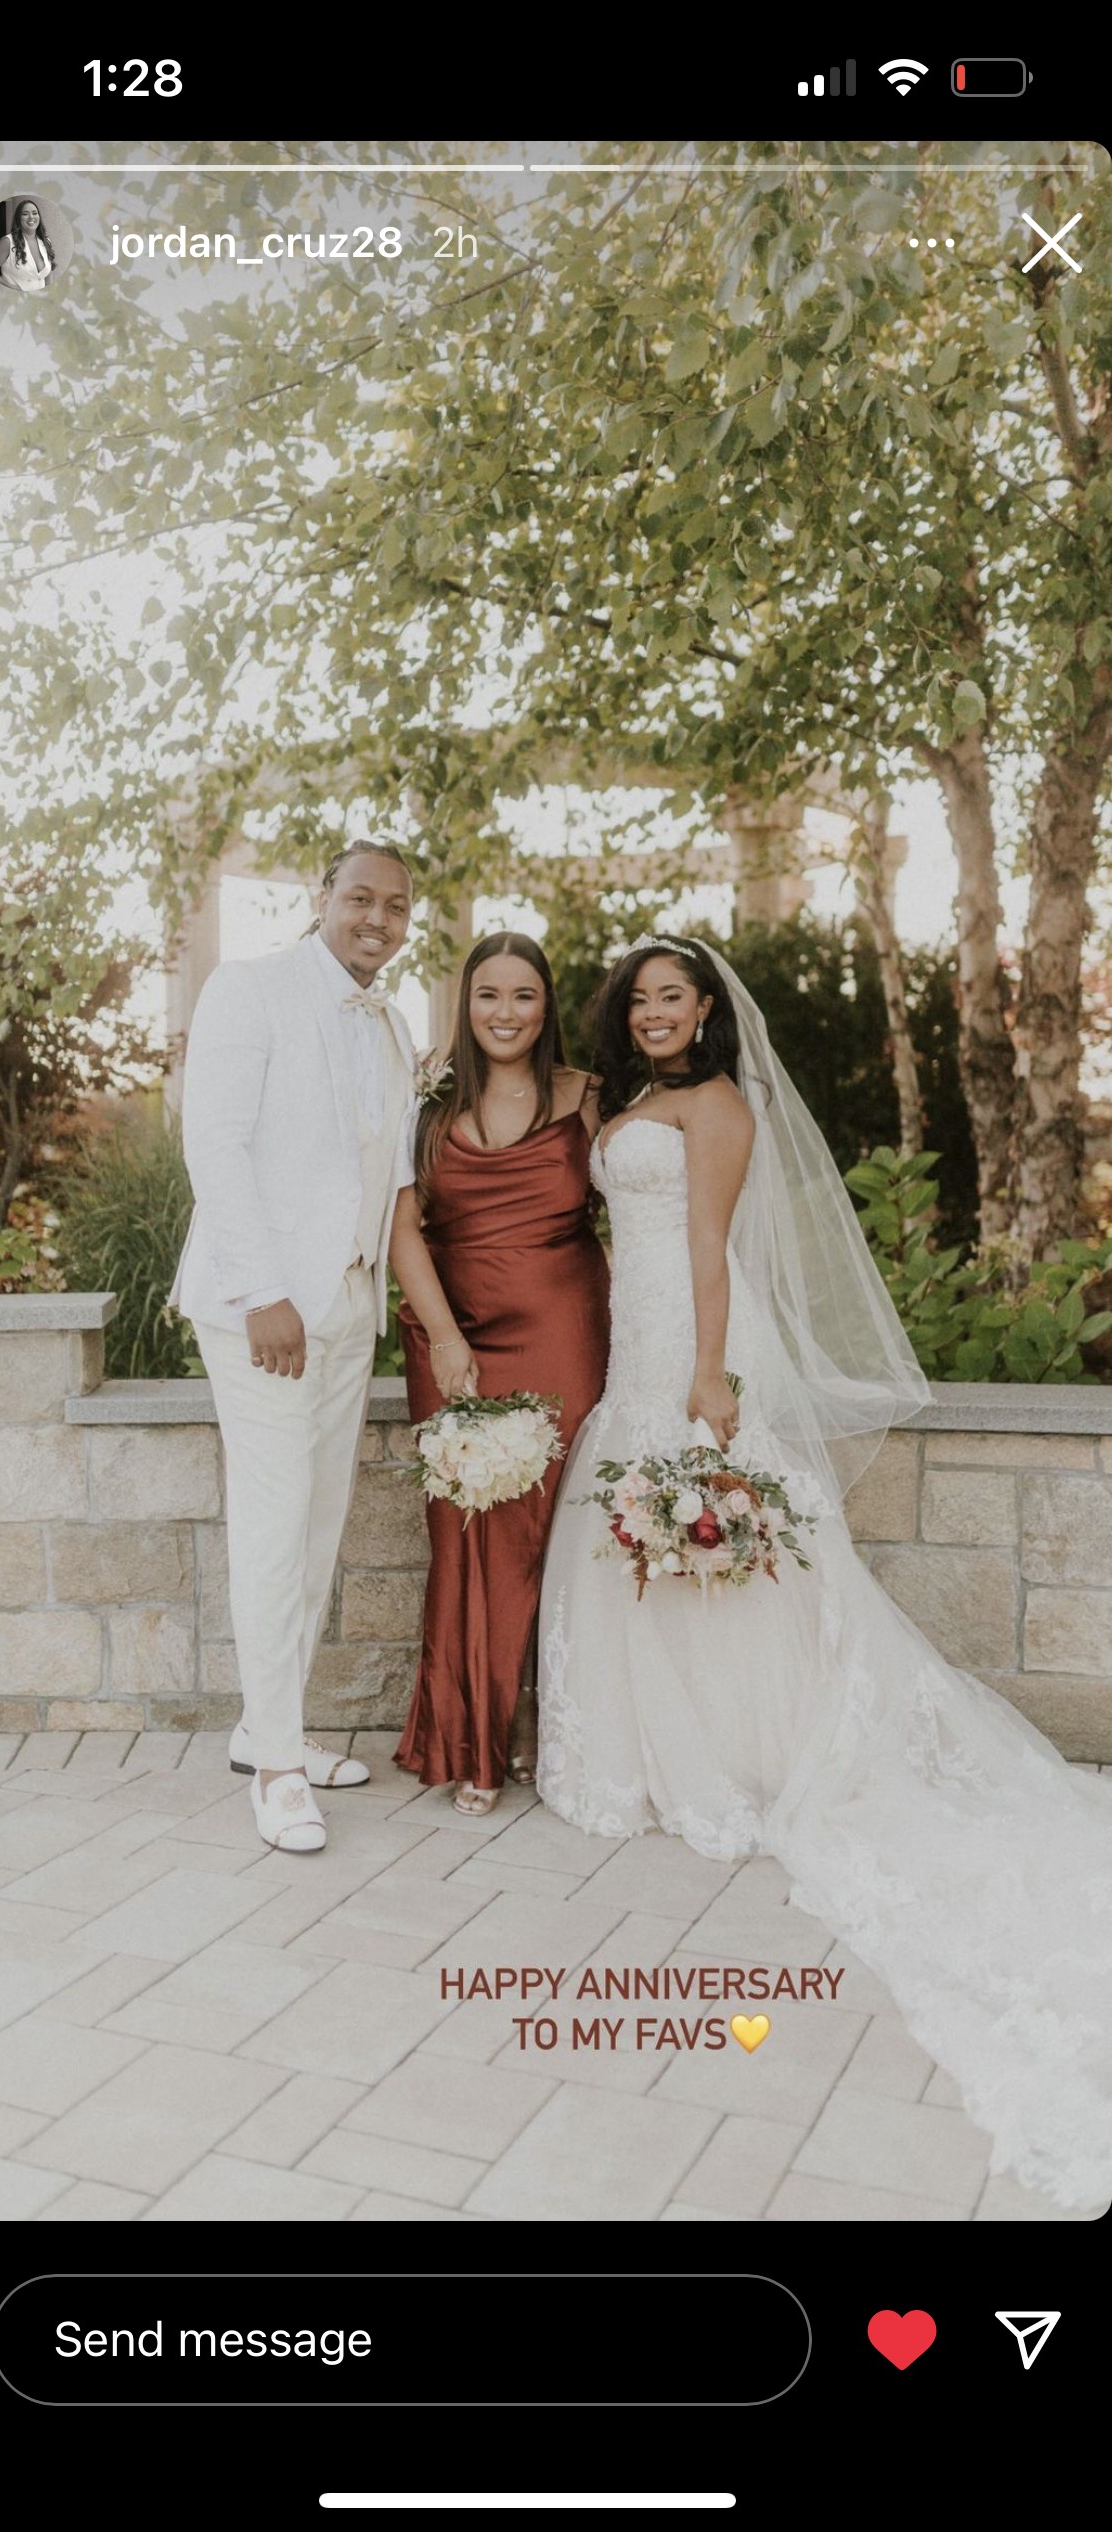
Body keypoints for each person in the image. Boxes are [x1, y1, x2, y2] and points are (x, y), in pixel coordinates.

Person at [537, 934, 1112, 2209]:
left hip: (690, 1335)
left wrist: (706, 1373)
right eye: (640, 1000)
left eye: (674, 997)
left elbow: (708, 1243)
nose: (655, 1014)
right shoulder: (625, 1099)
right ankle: (656, 1744)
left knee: (711, 1545)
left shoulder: (719, 1106)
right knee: (638, 1541)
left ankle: (745, 1749)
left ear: (707, 1010)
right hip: (631, 1332)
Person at [169, 842, 418, 1854]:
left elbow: (383, 1169)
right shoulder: (251, 988)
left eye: (396, 906)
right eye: (360, 897)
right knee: (274, 1526)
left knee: (318, 1524)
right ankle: (275, 1768)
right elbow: (214, 1142)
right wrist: (262, 1291)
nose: (377, 918)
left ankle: (267, 1727)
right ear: (323, 899)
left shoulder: (393, 1023)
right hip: (262, 1307)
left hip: (349, 1303)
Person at [391, 933, 610, 1815]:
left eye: (525, 995)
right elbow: (400, 1227)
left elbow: (643, 1200)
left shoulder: (588, 1095)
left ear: (547, 1005)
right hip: (452, 1332)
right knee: (464, 1533)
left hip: (562, 1329)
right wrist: (447, 1339)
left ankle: (532, 1727)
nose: (506, 1013)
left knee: (544, 1534)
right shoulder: (426, 1096)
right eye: (489, 995)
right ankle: (469, 1740)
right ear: (465, 1002)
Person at [0, 199, 55, 292]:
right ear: (18, 218)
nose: (31, 217)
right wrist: (10, 287)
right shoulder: (7, 242)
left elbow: (49, 273)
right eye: (25, 214)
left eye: (35, 213)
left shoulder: (45, 241)